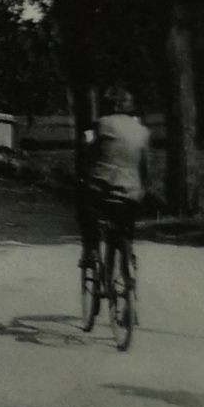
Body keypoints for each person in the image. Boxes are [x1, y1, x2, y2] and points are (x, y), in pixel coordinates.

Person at [79, 86, 150, 279]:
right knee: (126, 221)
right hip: (131, 190)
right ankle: (128, 249)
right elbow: (144, 165)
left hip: (102, 188)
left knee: (84, 205)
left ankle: (90, 248)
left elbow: (90, 153)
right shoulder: (142, 131)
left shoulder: (102, 124)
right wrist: (143, 188)